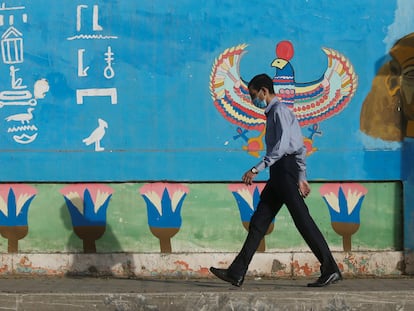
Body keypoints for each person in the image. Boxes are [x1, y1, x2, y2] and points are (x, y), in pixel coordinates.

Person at [210, 73, 342, 287]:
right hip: (282, 173)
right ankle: (237, 271)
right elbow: (299, 146)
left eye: (254, 95)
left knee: (303, 220)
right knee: (259, 222)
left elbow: (281, 148)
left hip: (282, 171)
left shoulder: (279, 112)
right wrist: (301, 177)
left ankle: (330, 268)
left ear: (263, 90)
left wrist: (256, 168)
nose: (253, 100)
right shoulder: (281, 113)